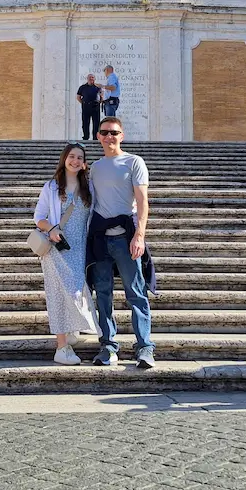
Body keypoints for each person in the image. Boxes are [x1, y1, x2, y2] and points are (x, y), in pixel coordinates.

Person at [87, 116, 155, 368]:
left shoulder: (134, 162)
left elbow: (143, 201)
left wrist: (140, 236)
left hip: (126, 237)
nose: (109, 137)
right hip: (101, 239)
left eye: (114, 133)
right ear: (98, 137)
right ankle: (107, 345)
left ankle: (145, 347)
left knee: (136, 293)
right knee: (102, 294)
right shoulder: (94, 167)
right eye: (104, 132)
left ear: (122, 135)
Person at [33, 143, 101, 365]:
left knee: (76, 291)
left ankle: (71, 329)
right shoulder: (51, 187)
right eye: (71, 156)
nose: (75, 161)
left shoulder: (89, 188)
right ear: (64, 159)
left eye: (79, 158)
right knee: (58, 294)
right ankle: (61, 347)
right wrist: (51, 229)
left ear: (84, 163)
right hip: (56, 249)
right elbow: (39, 217)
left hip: (79, 249)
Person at [76, 74, 103, 141]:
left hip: (95, 107)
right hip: (86, 107)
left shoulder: (98, 87)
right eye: (90, 77)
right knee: (85, 123)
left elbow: (101, 97)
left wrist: (100, 100)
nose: (91, 79)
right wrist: (83, 103)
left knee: (96, 123)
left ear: (94, 79)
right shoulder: (82, 87)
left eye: (93, 77)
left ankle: (95, 138)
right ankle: (85, 137)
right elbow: (78, 97)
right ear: (87, 78)